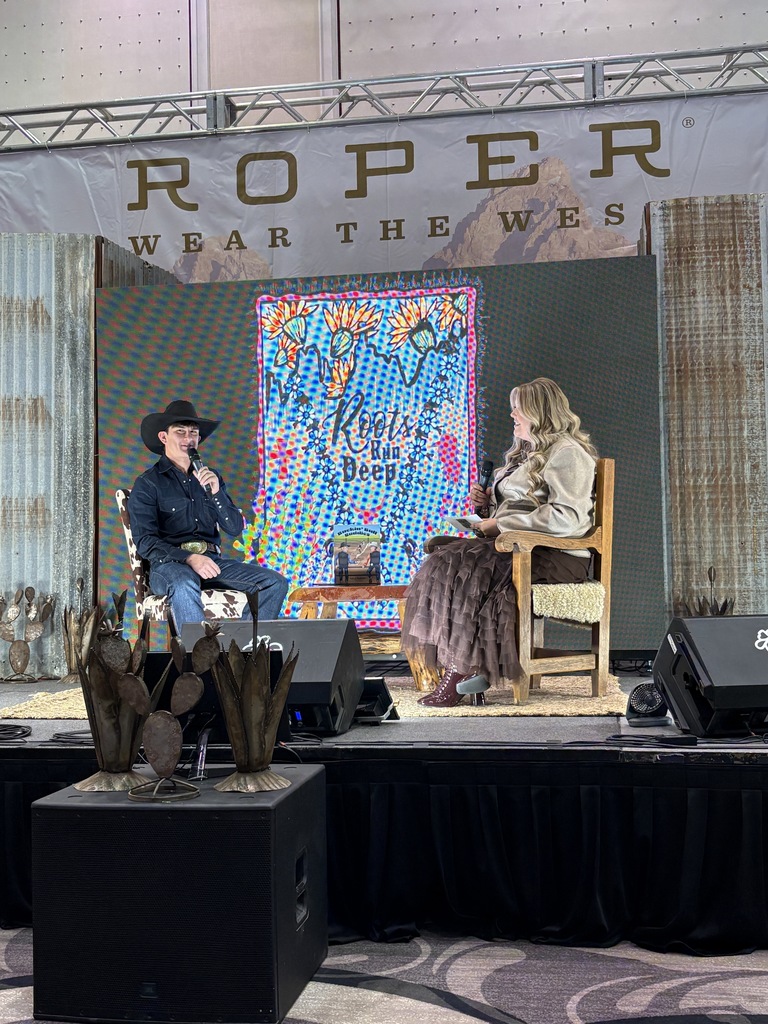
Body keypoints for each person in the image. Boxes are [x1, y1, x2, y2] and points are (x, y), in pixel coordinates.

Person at [401, 378, 597, 707]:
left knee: (465, 566)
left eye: (518, 408)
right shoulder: (526, 454)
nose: (513, 414)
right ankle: (466, 667)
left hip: (556, 555)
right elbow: (522, 507)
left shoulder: (568, 453)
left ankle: (462, 670)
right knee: (445, 560)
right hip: (518, 546)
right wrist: (487, 507)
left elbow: (569, 518)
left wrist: (501, 523)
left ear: (538, 411)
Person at [128, 400, 289, 630]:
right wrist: (189, 558)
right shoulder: (148, 483)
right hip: (170, 566)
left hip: (212, 563)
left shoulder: (211, 476)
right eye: (180, 432)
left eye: (193, 432)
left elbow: (234, 528)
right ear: (164, 437)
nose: (188, 439)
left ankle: (242, 656)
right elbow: (145, 542)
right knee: (184, 582)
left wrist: (216, 494)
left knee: (274, 583)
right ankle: (199, 662)